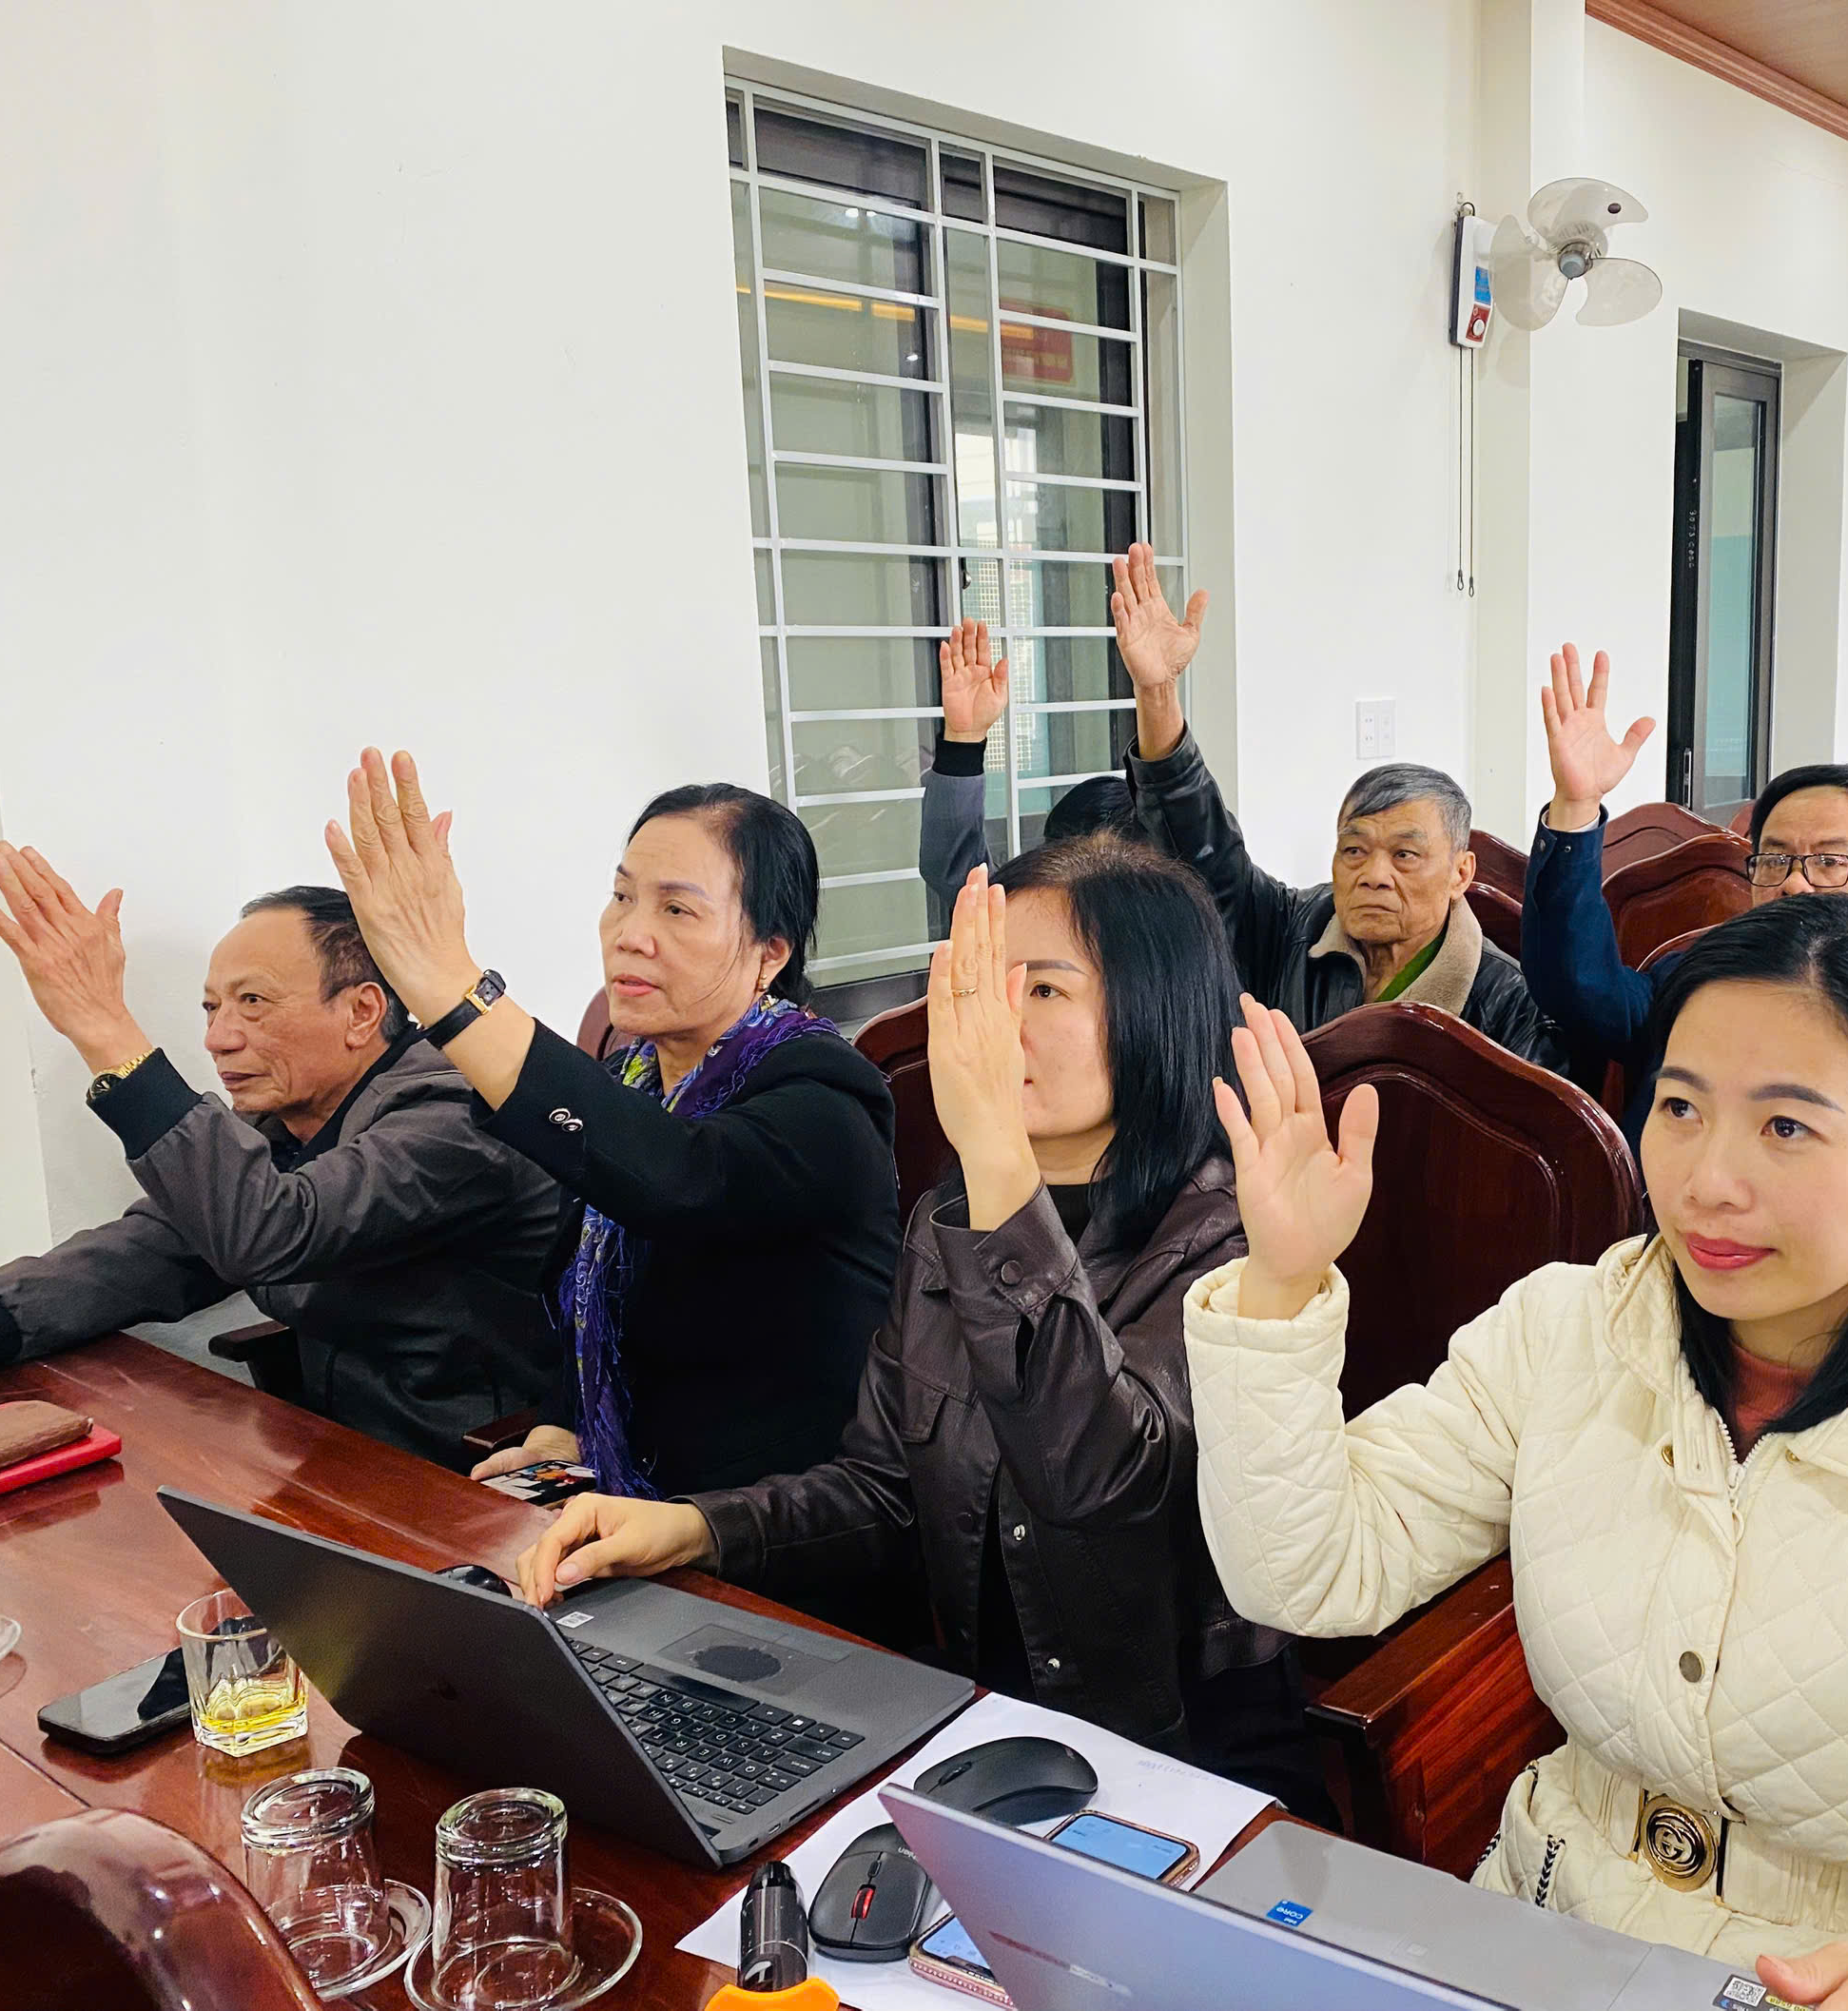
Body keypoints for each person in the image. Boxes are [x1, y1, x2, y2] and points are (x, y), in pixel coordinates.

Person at [1182, 896, 1848, 2011]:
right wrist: (1281, 1280)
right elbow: (1304, 1571)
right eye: (1678, 1106)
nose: (1704, 1180)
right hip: (1538, 1937)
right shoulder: (1567, 1332)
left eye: (1785, 1126)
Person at [508, 842, 1332, 1822]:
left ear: (1156, 1011)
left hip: (1186, 1757)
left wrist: (994, 1157)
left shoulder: (1241, 1237)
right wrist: (694, 1525)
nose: (992, 1024)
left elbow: (1100, 1487)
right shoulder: (950, 1220)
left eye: (1043, 990)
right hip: (989, 1732)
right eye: (982, 985)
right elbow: (884, 1490)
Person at [324, 751, 897, 1499]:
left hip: (767, 1523)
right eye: (622, 896)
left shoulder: (824, 1096)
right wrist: (558, 1431)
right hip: (615, 1489)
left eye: (676, 909)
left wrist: (452, 991)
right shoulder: (632, 1075)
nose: (630, 933)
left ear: (770, 953)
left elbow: (672, 1177)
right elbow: (594, 1300)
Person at [0, 849, 565, 1467]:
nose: (218, 1038)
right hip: (334, 1452)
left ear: (361, 1013)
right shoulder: (285, 1121)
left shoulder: (457, 1113)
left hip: (478, 1469)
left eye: (253, 1002)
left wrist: (107, 1031)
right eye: (211, 1008)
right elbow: (154, 1247)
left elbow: (271, 1229)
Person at [1111, 545, 1561, 1065]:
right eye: (1354, 851)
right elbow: (1204, 856)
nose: (1374, 876)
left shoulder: (1509, 1003)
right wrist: (1157, 693)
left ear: (1460, 873)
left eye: (1404, 855)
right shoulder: (1295, 929)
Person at [1522, 641, 1848, 1130]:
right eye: (1775, 859)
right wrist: (1576, 804)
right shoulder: (1699, 974)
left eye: (1829, 862)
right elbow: (1578, 989)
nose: (1794, 884)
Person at [918, 616, 1139, 934]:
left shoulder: (1174, 942)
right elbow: (956, 868)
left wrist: (1157, 692)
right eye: (1057, 863)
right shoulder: (1033, 918)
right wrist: (963, 742)